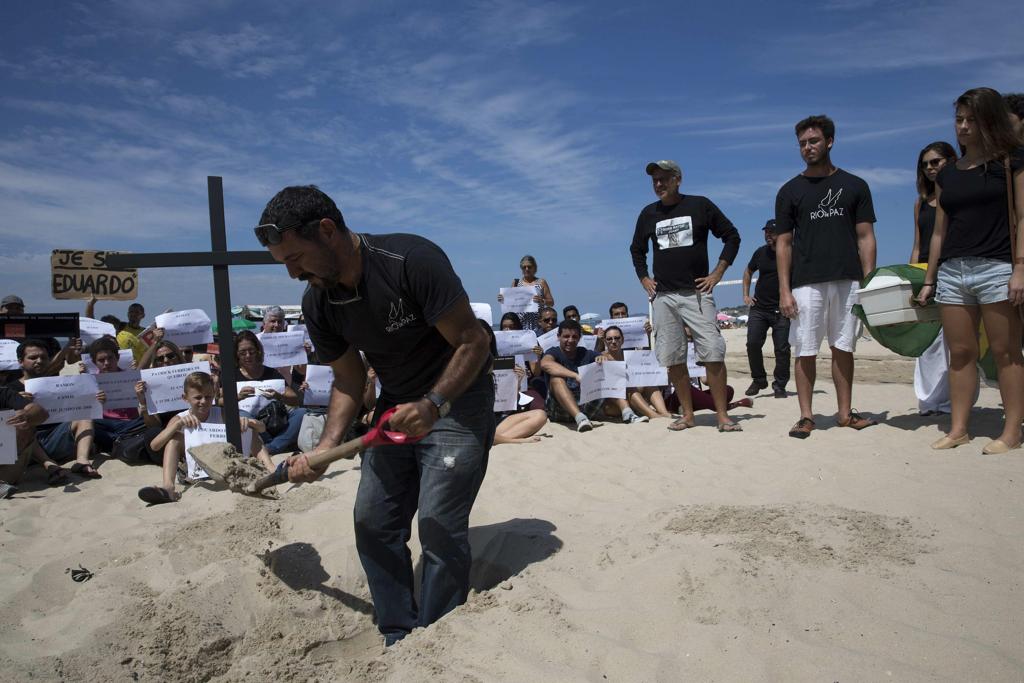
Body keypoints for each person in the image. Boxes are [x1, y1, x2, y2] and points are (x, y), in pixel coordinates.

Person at [255, 184, 494, 646]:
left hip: (458, 398)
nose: (292, 273)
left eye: (296, 257)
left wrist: (433, 403)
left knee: (438, 525)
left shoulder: (409, 261)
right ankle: (397, 631)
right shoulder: (318, 302)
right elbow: (348, 379)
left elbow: (474, 341)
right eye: (284, 263)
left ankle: (438, 638)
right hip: (394, 405)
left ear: (327, 230)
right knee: (372, 520)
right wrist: (325, 448)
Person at [916, 88, 1024, 453]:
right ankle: (958, 428)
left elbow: (1023, 216)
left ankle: (1011, 432)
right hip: (953, 271)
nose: (962, 127)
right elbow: (939, 232)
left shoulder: (1011, 162)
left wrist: (1020, 268)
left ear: (988, 120)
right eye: (958, 119)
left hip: (997, 267)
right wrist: (930, 279)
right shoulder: (948, 175)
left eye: (970, 120)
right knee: (960, 353)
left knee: (1006, 351)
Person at [775, 115, 878, 439]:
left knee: (843, 347)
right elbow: (784, 243)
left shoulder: (855, 185)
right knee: (804, 349)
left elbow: (865, 236)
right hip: (806, 281)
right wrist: (784, 290)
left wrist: (870, 282)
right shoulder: (789, 191)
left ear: (829, 141)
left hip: (848, 279)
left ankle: (845, 413)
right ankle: (806, 416)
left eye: (814, 141)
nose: (808, 147)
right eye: (802, 143)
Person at [630, 159, 742, 433]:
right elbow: (636, 249)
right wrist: (644, 277)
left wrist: (717, 273)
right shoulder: (648, 213)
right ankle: (688, 415)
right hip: (664, 297)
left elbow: (732, 236)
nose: (659, 184)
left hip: (697, 293)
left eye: (664, 179)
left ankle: (723, 416)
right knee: (673, 357)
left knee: (713, 352)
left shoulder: (699, 205)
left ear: (677, 179)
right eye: (655, 180)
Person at [138, 371, 272, 504]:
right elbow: (155, 446)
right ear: (185, 398)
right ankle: (168, 488)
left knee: (249, 429)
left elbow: (262, 429)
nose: (203, 401)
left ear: (213, 395)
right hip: (195, 473)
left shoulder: (221, 413)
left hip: (224, 466)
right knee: (174, 439)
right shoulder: (180, 418)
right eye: (198, 397)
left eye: (208, 397)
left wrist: (250, 422)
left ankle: (271, 469)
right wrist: (178, 425)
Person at [910, 142, 959, 416]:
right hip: (924, 273)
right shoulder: (920, 203)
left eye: (935, 162)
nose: (930, 168)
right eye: (925, 164)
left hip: (952, 267)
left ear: (950, 160)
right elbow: (918, 244)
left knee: (956, 341)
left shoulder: (958, 197)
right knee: (927, 342)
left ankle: (952, 400)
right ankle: (928, 401)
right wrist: (911, 277)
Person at [7, 339, 100, 479]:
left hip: (56, 436)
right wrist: (17, 401)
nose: (39, 361)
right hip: (29, 444)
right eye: (33, 357)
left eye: (43, 357)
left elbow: (77, 403)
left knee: (85, 415)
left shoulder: (57, 382)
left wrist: (96, 397)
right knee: (22, 424)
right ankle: (49, 465)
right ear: (21, 361)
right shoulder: (11, 390)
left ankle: (82, 461)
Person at [540, 319, 648, 431]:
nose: (570, 340)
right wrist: (575, 375)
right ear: (558, 337)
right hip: (559, 410)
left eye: (574, 337)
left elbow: (606, 361)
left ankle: (627, 413)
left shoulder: (586, 353)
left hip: (586, 408)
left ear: (579, 338)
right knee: (556, 379)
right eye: (566, 336)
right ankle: (579, 418)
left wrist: (602, 359)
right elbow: (545, 364)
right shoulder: (554, 352)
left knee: (606, 369)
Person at [234, 330, 306, 455]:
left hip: (274, 420)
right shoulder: (232, 375)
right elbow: (219, 401)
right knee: (241, 414)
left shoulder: (271, 372)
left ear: (258, 351)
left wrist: (278, 396)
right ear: (237, 354)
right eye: (243, 352)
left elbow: (294, 399)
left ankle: (270, 448)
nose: (248, 355)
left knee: (302, 412)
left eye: (251, 351)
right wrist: (238, 397)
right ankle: (274, 445)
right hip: (251, 424)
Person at [742, 219, 791, 399]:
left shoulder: (791, 251)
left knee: (782, 349)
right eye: (766, 231)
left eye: (772, 232)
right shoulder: (760, 253)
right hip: (759, 308)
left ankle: (780, 385)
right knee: (752, 343)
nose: (768, 234)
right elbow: (748, 271)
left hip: (781, 309)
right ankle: (759, 379)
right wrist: (746, 295)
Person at [479, 320, 548, 444]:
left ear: (490, 337)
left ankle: (495, 439)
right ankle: (509, 440)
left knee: (541, 415)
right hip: (478, 419)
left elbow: (508, 403)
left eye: (483, 335)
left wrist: (517, 381)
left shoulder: (501, 362)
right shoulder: (467, 364)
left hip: (497, 417)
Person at [89, 336, 149, 453]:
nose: (106, 363)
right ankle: (120, 440)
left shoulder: (131, 378)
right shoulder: (90, 382)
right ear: (94, 362)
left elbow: (141, 409)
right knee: (86, 423)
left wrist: (141, 397)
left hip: (129, 423)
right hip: (103, 423)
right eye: (101, 360)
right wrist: (96, 403)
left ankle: (112, 442)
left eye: (110, 358)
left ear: (117, 357)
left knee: (148, 422)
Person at [601, 325, 671, 419]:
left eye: (617, 338)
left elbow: (646, 360)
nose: (613, 341)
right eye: (609, 339)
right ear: (605, 341)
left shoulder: (631, 356)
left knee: (649, 383)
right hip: (614, 405)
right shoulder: (601, 358)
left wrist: (662, 373)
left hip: (634, 400)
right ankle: (653, 415)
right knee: (630, 388)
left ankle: (664, 413)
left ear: (622, 339)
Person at [0, 385, 51, 498]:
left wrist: (27, 416)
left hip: (5, 464)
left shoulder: (3, 393)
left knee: (25, 424)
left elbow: (41, 412)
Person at [496, 255, 554, 332]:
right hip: (520, 326)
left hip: (538, 325)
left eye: (529, 267)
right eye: (524, 267)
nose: (526, 269)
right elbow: (511, 303)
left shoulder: (541, 282)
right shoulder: (516, 283)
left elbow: (551, 302)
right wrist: (503, 299)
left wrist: (542, 300)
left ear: (534, 268)